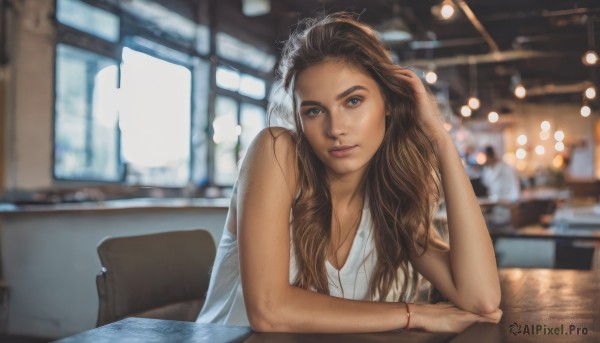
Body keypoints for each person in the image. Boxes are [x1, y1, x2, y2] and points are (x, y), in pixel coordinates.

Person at [197, 13, 502, 333]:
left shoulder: (390, 202)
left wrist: (439, 137)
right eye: (314, 111)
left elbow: (481, 299)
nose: (335, 129)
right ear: (300, 120)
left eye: (353, 101)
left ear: (387, 102)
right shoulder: (277, 152)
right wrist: (417, 314)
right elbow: (269, 311)